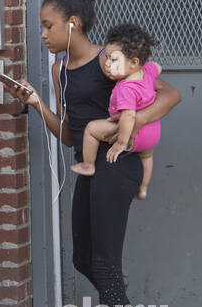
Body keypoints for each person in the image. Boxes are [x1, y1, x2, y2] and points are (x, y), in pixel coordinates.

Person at [2, 0, 180, 307]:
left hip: (118, 165)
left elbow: (170, 95)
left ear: (73, 23)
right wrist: (37, 104)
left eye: (48, 26)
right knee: (84, 256)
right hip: (87, 165)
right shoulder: (59, 69)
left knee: (104, 261)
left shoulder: (111, 58)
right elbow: (68, 135)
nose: (42, 34)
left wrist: (126, 125)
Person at [69, 22, 162, 200]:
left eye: (113, 60)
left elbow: (129, 115)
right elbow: (157, 67)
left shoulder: (126, 88)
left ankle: (88, 165)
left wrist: (120, 143)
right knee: (147, 157)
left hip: (133, 135)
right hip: (152, 135)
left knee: (91, 129)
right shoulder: (148, 71)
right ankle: (143, 188)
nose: (107, 65)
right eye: (107, 58)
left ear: (134, 62)